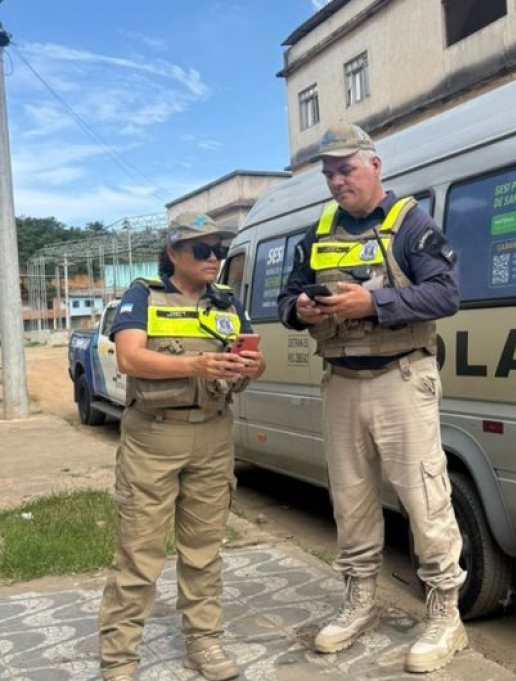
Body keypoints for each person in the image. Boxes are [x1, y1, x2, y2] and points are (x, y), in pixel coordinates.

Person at [277, 122, 467, 673]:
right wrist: (300, 310)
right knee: (351, 500)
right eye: (329, 174)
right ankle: (360, 602)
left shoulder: (410, 222)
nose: (337, 181)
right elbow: (286, 298)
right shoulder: (319, 232)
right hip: (341, 381)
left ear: (374, 165)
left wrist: (373, 303)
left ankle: (446, 615)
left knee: (425, 498)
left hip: (400, 377)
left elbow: (446, 294)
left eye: (346, 169)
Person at [98, 212, 266, 681]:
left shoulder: (226, 300)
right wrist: (197, 365)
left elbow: (254, 359)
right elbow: (130, 357)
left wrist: (251, 366)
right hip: (154, 436)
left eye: (219, 250)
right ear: (173, 253)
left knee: (204, 550)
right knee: (139, 552)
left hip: (213, 434)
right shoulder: (144, 295)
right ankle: (119, 658)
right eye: (202, 250)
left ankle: (204, 642)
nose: (214, 258)